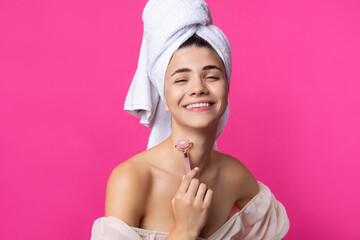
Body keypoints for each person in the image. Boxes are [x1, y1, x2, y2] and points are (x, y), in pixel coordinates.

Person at [91, 0, 290, 239]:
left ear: (227, 88)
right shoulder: (132, 179)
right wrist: (185, 228)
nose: (198, 88)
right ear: (164, 97)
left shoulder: (234, 175)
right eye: (181, 79)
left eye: (212, 76)